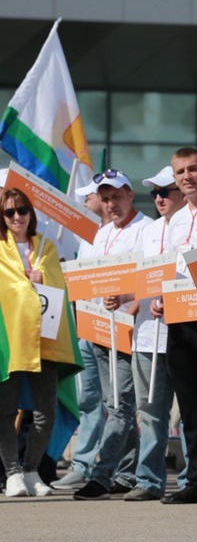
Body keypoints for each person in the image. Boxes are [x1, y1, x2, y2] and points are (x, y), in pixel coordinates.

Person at [73, 170, 154, 500]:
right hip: (96, 329)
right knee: (116, 404)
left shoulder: (146, 229)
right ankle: (127, 472)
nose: (110, 204)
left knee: (119, 406)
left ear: (130, 194)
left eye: (117, 196)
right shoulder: (101, 232)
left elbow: (152, 278)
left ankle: (101, 475)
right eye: (105, 198)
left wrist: (130, 305)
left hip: (127, 331)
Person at [0, 189, 82, 497]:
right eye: (9, 212)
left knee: (45, 411)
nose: (17, 217)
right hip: (9, 341)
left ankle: (31, 469)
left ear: (31, 213)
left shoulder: (47, 246)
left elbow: (59, 286)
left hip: (45, 340)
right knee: (6, 411)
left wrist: (43, 277)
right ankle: (12, 472)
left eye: (22, 210)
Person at [152, 147, 197, 505]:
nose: (187, 177)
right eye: (180, 172)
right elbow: (171, 270)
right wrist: (159, 298)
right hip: (179, 320)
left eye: (193, 169)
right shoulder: (175, 221)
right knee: (191, 404)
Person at [123, 167, 183, 501]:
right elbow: (137, 279)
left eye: (165, 191)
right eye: (155, 193)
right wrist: (124, 298)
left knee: (191, 412)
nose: (159, 198)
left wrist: (174, 299)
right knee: (149, 412)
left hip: (185, 333)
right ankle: (148, 479)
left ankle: (192, 479)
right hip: (147, 334)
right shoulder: (147, 231)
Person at [52, 183, 108, 492]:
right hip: (86, 326)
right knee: (89, 401)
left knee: (120, 403)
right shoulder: (87, 237)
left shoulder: (134, 230)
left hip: (115, 328)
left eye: (89, 196)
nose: (84, 201)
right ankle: (84, 464)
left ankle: (117, 466)